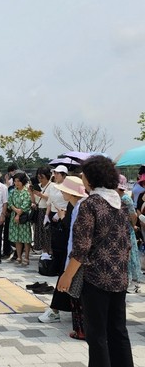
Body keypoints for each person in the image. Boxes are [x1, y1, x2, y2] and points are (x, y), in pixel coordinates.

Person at [58, 155, 134, 367]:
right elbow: (125, 243)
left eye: (83, 175)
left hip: (96, 279)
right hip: (119, 277)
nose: (82, 178)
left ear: (91, 177)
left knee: (97, 334)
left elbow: (81, 248)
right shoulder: (122, 205)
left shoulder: (90, 204)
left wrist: (66, 276)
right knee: (119, 331)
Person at [39, 176, 87, 343]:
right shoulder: (74, 206)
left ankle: (80, 328)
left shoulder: (81, 207)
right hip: (69, 252)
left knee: (74, 289)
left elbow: (78, 238)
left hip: (77, 257)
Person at [117, 174, 143, 293]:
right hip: (120, 229)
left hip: (127, 229)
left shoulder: (125, 199)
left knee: (130, 255)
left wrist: (133, 225)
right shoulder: (118, 197)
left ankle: (133, 282)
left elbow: (133, 215)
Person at [45, 165, 70, 274]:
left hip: (63, 214)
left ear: (64, 175)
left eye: (57, 173)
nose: (55, 175)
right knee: (54, 241)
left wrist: (61, 212)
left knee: (62, 242)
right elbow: (50, 201)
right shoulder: (52, 186)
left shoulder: (68, 186)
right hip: (53, 214)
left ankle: (62, 267)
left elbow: (69, 202)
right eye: (54, 173)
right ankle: (55, 264)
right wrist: (47, 215)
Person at [8, 172, 32, 266]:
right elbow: (10, 202)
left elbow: (27, 203)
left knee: (26, 238)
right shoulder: (13, 191)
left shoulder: (26, 192)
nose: (16, 183)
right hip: (14, 216)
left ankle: (26, 257)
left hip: (23, 217)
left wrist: (19, 213)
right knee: (17, 238)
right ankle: (19, 256)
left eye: (18, 181)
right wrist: (15, 210)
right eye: (15, 181)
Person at [31, 167, 52, 255]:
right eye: (38, 177)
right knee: (39, 232)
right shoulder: (38, 186)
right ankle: (42, 251)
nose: (40, 179)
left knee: (47, 233)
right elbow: (34, 200)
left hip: (47, 211)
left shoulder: (52, 186)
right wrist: (31, 193)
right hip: (38, 210)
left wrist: (40, 194)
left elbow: (51, 198)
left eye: (42, 177)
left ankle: (48, 251)